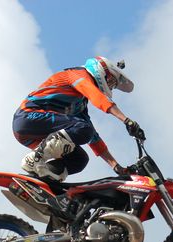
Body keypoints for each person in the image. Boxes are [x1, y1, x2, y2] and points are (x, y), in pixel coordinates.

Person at [12, 56, 145, 183]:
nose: (110, 86)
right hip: (27, 116)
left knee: (80, 159)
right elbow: (98, 98)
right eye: (111, 81)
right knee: (83, 128)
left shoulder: (79, 102)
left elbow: (93, 137)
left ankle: (45, 178)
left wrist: (116, 167)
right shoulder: (77, 74)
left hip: (31, 133)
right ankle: (35, 159)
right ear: (102, 70)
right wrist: (126, 120)